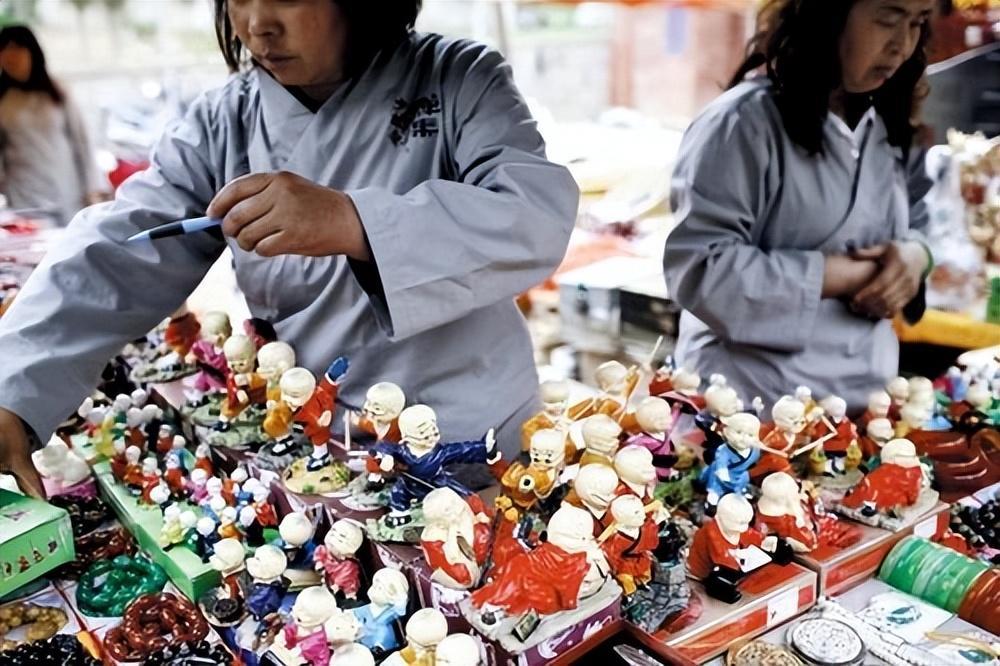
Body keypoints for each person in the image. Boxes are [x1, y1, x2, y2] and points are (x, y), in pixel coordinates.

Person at [0, 0, 578, 497]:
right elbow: (122, 248)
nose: (257, 25)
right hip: (318, 441)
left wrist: (352, 220)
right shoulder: (224, 121)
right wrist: (13, 385)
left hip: (477, 440)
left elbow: (535, 213)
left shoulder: (457, 78)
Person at [663, 0, 934, 414]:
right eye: (887, 19)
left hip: (865, 404)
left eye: (917, 23)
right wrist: (844, 276)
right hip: (752, 410)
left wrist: (916, 256)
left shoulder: (885, 124)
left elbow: (924, 221)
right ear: (828, 16)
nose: (902, 44)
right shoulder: (741, 123)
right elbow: (700, 270)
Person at [0, 25, 106, 224]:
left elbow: (82, 140)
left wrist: (93, 187)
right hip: (24, 197)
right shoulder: (3, 99)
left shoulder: (57, 91)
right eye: (4, 50)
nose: (10, 56)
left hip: (67, 191)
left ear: (32, 52)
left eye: (17, 49)